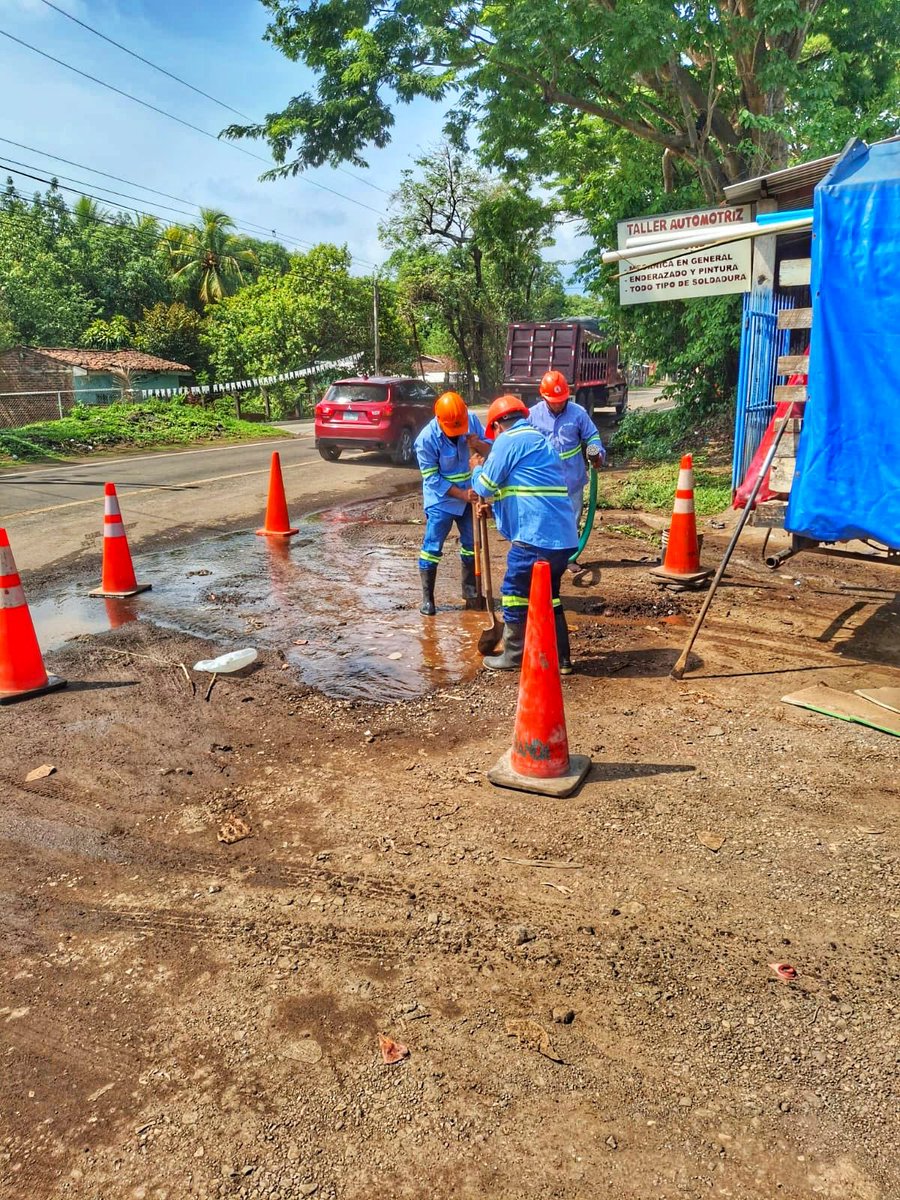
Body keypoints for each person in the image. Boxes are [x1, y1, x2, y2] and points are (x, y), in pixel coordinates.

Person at [469, 394, 578, 673]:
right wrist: (495, 511)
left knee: (514, 591)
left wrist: (476, 469)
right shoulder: (540, 440)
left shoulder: (508, 440)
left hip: (534, 538)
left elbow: (484, 486)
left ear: (497, 426)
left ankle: (514, 654)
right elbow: (528, 490)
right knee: (549, 595)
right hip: (562, 538)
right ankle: (562, 659)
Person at [414, 391, 485, 616]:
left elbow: (490, 449)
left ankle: (471, 594)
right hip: (441, 500)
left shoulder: (470, 420)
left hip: (469, 497)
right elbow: (432, 478)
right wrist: (462, 494)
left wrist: (478, 444)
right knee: (432, 548)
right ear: (439, 420)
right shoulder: (426, 439)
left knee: (471, 544)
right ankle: (428, 599)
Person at [528, 370, 605, 573]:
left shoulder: (578, 413)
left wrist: (596, 452)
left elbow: (592, 436)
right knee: (544, 519)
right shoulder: (532, 416)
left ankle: (569, 558)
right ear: (544, 397)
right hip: (544, 481)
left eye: (561, 400)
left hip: (572, 479)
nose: (558, 405)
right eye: (553, 401)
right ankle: (543, 558)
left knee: (572, 520)